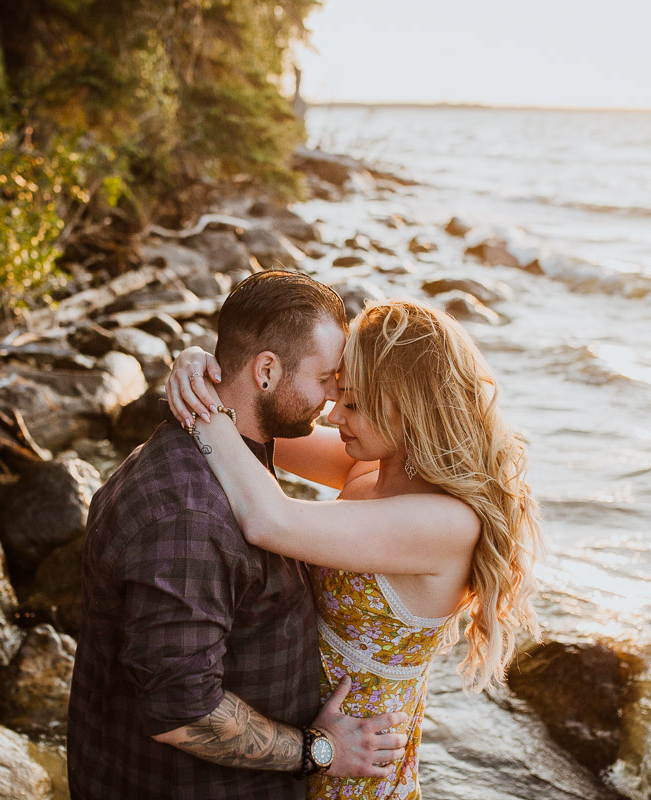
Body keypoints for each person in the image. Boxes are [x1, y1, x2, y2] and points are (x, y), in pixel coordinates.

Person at [166, 298, 542, 799]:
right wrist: (198, 367)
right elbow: (250, 424)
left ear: (410, 407)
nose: (333, 413)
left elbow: (268, 519)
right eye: (338, 392)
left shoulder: (446, 523)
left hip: (356, 765)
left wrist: (200, 407)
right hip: (298, 742)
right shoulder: (371, 468)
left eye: (355, 403)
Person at [67, 271, 409, 800]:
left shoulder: (226, 453)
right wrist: (319, 750)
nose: (336, 396)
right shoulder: (188, 517)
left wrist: (198, 370)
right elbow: (183, 711)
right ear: (267, 370)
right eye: (326, 378)